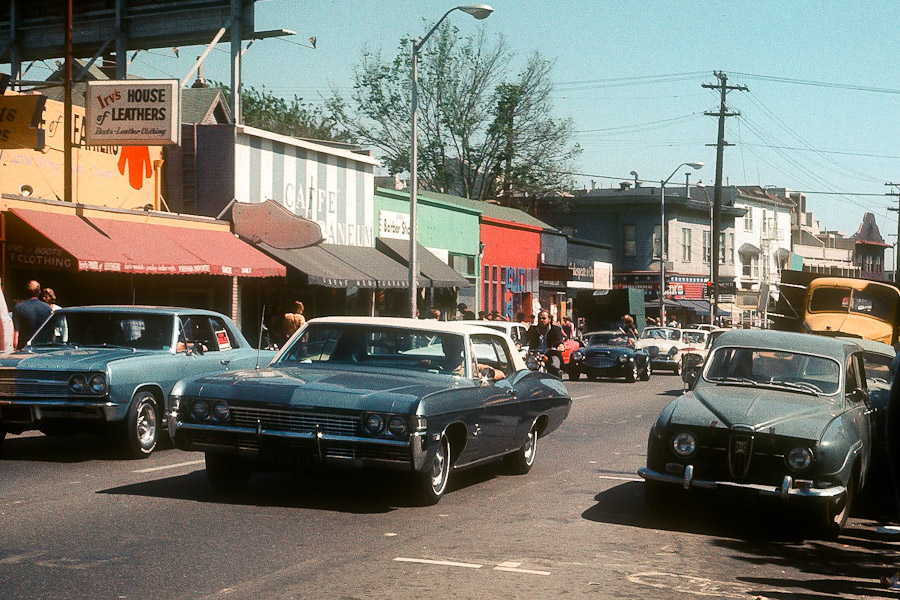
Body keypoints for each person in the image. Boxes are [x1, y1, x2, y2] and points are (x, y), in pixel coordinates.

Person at [522, 309, 566, 377]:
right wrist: (518, 344)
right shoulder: (533, 329)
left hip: (551, 354)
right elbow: (525, 338)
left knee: (554, 366)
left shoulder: (555, 329)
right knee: (524, 370)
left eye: (544, 318)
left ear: (549, 319)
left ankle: (557, 384)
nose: (541, 320)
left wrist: (560, 345)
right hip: (535, 356)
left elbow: (559, 338)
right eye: (539, 318)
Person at [12, 280, 51, 350]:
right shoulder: (47, 308)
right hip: (43, 348)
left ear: (26, 292)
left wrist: (15, 349)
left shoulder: (18, 308)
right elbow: (51, 331)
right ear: (39, 292)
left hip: (24, 349)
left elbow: (16, 332)